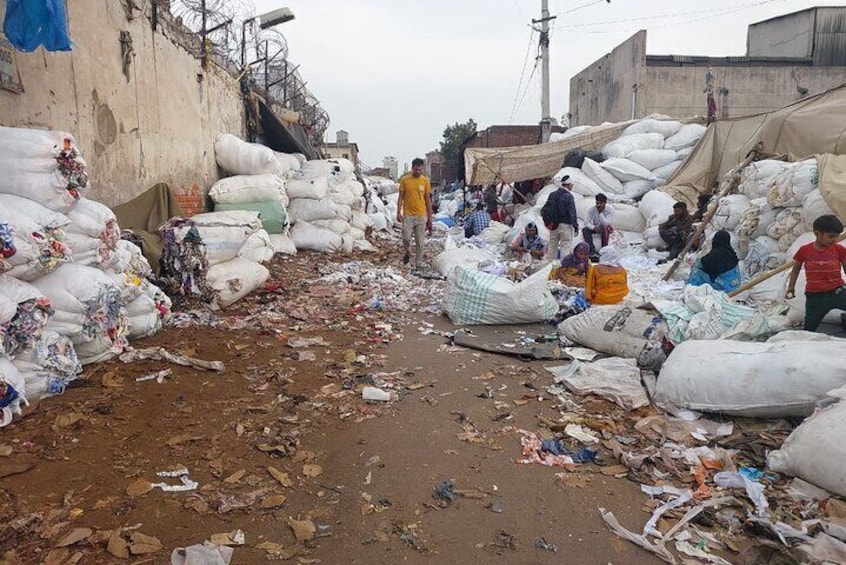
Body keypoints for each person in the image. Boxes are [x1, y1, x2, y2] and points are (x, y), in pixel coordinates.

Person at [786, 214, 846, 332]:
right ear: (817, 233)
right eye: (831, 236)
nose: (834, 240)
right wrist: (791, 287)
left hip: (837, 291)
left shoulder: (839, 250)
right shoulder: (805, 250)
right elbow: (796, 268)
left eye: (837, 236)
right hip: (815, 296)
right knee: (809, 328)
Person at [397, 157, 433, 271]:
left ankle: (418, 264)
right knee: (406, 238)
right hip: (408, 215)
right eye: (416, 169)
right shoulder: (405, 180)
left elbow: (427, 200)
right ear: (412, 168)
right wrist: (398, 212)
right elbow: (400, 198)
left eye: (420, 170)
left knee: (420, 241)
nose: (418, 172)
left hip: (421, 215)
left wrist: (430, 217)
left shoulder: (425, 181)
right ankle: (408, 252)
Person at [543, 176, 579, 260]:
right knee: (565, 246)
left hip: (554, 224)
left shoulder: (552, 194)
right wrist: (575, 225)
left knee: (552, 246)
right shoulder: (568, 196)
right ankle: (564, 267)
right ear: (569, 184)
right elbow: (572, 213)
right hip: (565, 225)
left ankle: (547, 266)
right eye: (571, 185)